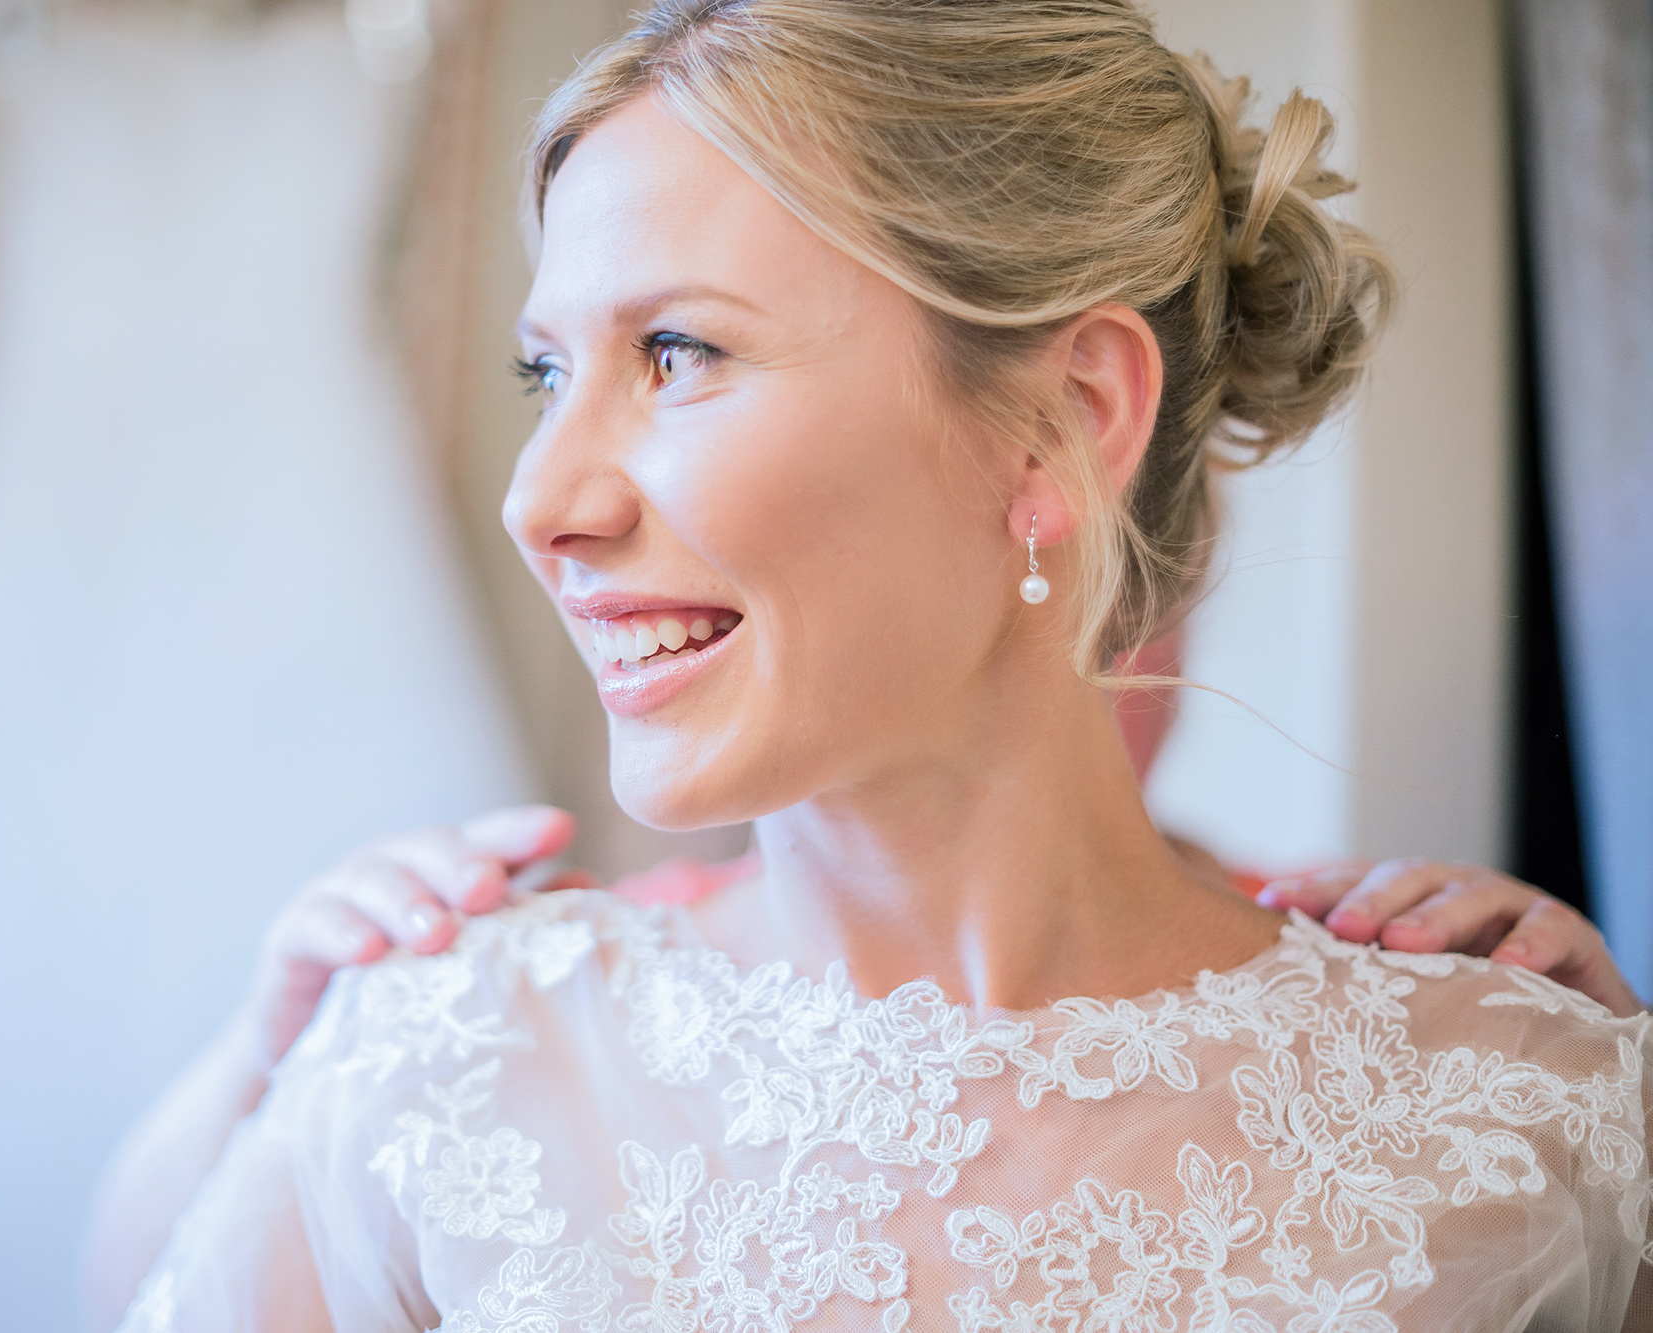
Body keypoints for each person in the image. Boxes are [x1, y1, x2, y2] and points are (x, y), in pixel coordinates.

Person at [91, 2, 1653, 1327]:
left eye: (676, 355)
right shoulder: (446, 1076)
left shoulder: (1519, 1122)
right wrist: (267, 1056)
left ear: (1067, 418)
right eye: (547, 370)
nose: (538, 501)